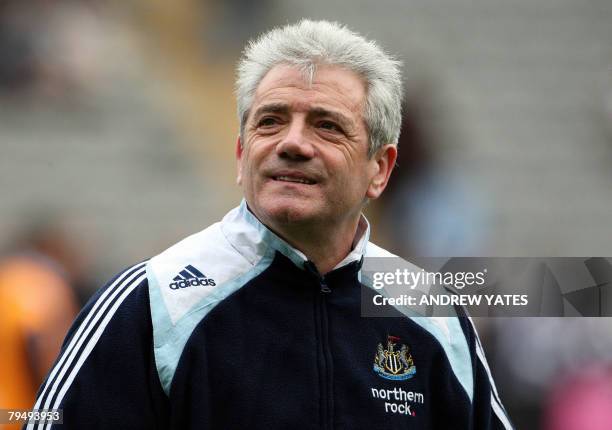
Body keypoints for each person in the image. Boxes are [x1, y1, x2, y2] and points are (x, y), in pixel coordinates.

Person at [28, 20, 512, 429]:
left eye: (326, 125)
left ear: (380, 169)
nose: (293, 143)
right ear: (241, 156)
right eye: (271, 121)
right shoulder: (152, 302)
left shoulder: (432, 313)